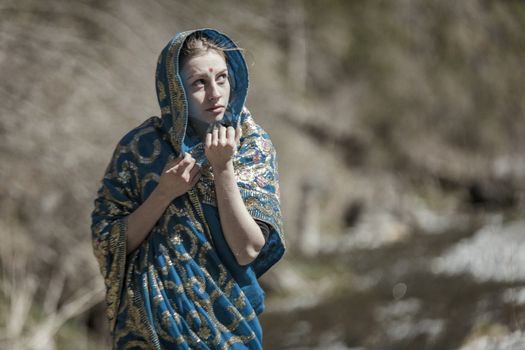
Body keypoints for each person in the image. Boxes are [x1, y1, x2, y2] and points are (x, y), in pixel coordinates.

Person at [91, 28, 285, 349]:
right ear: (174, 90)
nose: (215, 94)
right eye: (199, 83)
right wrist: (164, 192)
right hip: (147, 333)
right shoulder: (140, 150)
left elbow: (247, 249)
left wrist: (223, 168)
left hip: (227, 331)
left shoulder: (252, 146)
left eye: (222, 78)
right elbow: (107, 242)